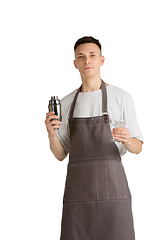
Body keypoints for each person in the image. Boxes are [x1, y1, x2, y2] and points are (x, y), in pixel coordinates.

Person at [45, 36, 143, 240]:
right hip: (78, 198)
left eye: (92, 55)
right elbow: (61, 154)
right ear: (75, 63)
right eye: (81, 57)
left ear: (102, 60)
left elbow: (138, 147)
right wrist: (51, 134)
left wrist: (127, 140)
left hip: (113, 196)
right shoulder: (66, 103)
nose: (87, 61)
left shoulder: (121, 97)